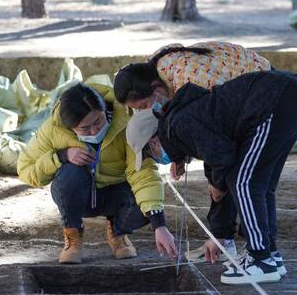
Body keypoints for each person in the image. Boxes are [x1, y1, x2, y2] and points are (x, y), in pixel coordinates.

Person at [126, 70, 297, 285]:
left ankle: (260, 259)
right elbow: (217, 157)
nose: (158, 158)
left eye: (150, 154)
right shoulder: (184, 118)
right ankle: (269, 254)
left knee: (243, 182)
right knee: (260, 183)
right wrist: (220, 232)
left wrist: (217, 184)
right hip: (294, 94)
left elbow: (223, 158)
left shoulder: (180, 124)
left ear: (153, 141)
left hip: (275, 100)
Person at [113, 41, 272, 261]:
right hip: (242, 100)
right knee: (224, 172)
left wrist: (215, 181)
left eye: (143, 107)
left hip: (262, 93)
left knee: (236, 177)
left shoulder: (187, 79)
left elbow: (217, 139)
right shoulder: (161, 74)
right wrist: (180, 153)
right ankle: (224, 241)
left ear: (155, 89)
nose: (144, 113)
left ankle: (256, 253)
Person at [17, 82, 178, 264]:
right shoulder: (54, 129)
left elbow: (142, 172)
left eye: (98, 121)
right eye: (84, 128)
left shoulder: (126, 122)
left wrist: (160, 225)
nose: (94, 130)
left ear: (104, 110)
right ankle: (73, 234)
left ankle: (118, 232)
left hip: (117, 193)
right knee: (70, 173)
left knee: (144, 202)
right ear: (70, 127)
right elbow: (25, 170)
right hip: (80, 195)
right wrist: (61, 156)